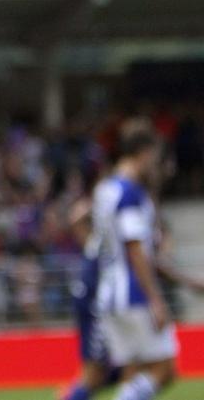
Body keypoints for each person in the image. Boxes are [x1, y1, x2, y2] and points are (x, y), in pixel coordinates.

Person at [93, 122, 177, 400]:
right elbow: (134, 248)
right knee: (165, 369)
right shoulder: (130, 193)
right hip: (132, 293)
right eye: (154, 156)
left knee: (133, 372)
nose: (155, 163)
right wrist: (155, 298)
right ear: (143, 152)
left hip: (109, 292)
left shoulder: (105, 189)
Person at [59, 197, 119, 400]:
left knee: (99, 373)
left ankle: (73, 393)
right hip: (92, 315)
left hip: (91, 311)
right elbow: (75, 219)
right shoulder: (93, 244)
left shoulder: (99, 243)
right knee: (95, 375)